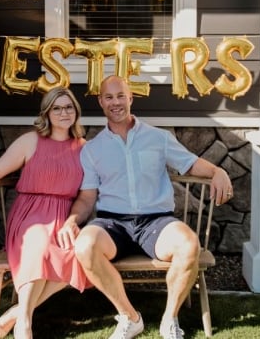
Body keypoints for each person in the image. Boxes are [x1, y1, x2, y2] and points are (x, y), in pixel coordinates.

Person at [57, 75, 233, 339]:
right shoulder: (92, 150)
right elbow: (86, 198)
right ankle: (130, 317)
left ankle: (169, 319)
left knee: (188, 244)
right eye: (109, 97)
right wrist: (72, 220)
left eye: (120, 96)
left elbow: (190, 163)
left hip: (156, 222)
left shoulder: (158, 138)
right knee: (84, 246)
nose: (115, 102)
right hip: (111, 223)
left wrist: (217, 170)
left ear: (130, 98)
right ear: (101, 102)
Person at [0, 87, 90, 339]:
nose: (64, 112)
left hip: (63, 215)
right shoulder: (30, 141)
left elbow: (87, 195)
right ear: (47, 113)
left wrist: (72, 221)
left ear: (76, 111)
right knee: (41, 246)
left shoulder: (84, 148)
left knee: (83, 256)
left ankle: (14, 315)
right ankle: (24, 325)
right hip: (31, 214)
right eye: (57, 107)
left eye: (68, 107)